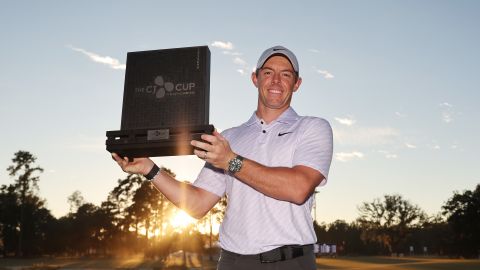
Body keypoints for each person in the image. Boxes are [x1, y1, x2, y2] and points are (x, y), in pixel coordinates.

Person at [112, 45, 333, 270]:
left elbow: (298, 188)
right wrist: (150, 169)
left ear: (297, 83)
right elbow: (197, 205)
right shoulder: (229, 138)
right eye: (268, 72)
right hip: (233, 262)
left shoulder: (312, 128)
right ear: (255, 78)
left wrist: (231, 161)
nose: (276, 80)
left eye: (286, 74)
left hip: (290, 263)